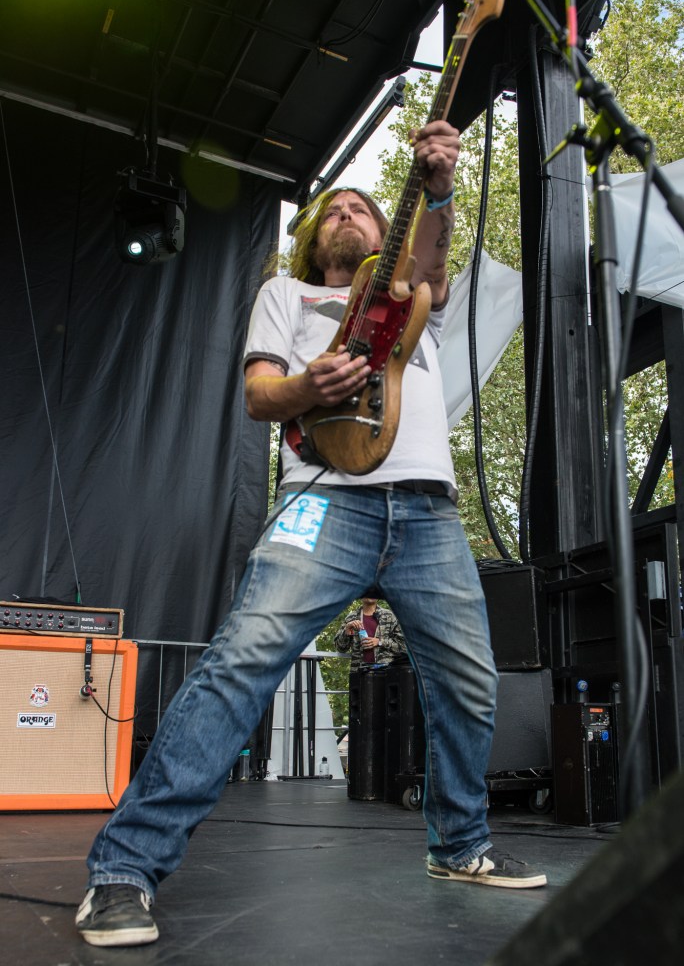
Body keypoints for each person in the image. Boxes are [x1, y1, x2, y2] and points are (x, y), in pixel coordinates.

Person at [75, 119, 546, 949]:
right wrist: (307, 387)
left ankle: (459, 844)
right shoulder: (286, 298)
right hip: (323, 500)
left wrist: (438, 191)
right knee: (241, 662)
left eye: (362, 206)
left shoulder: (412, 300)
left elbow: (433, 265)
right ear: (312, 238)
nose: (347, 213)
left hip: (429, 510)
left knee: (471, 681)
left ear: (384, 230)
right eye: (333, 209)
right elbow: (261, 397)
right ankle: (124, 870)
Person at [334, 594, 408, 670]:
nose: (370, 594)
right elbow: (340, 648)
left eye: (373, 592)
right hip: (359, 672)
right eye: (367, 592)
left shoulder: (389, 616)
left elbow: (404, 647)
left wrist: (379, 642)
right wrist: (346, 631)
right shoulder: (351, 618)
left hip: (386, 671)